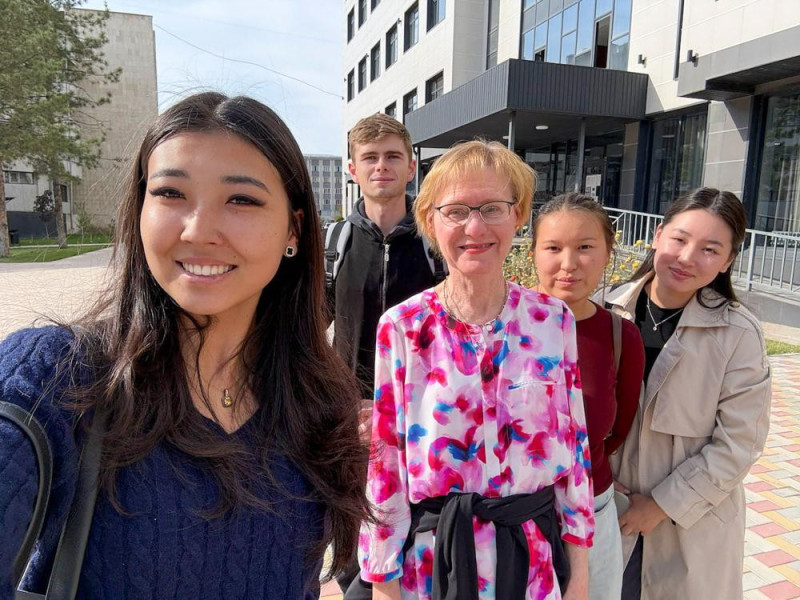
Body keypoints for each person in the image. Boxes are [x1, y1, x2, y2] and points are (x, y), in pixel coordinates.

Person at [0, 92, 369, 599]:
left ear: (294, 228)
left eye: (241, 200)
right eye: (171, 194)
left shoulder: (316, 404)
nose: (198, 231)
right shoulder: (56, 379)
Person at [359, 140, 594, 600]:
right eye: (456, 211)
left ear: (519, 214)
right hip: (435, 565)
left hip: (533, 562)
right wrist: (383, 584)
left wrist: (579, 574)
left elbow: (575, 448)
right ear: (430, 220)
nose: (475, 226)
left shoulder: (552, 320)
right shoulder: (403, 328)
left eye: (492, 208)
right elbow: (385, 462)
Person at [600, 188, 772, 599]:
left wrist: (658, 506)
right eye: (679, 239)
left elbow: (739, 445)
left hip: (690, 524)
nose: (688, 257)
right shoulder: (603, 312)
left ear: (728, 261)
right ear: (658, 236)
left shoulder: (738, 334)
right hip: (608, 512)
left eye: (710, 249)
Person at [532, 193, 645, 600]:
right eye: (553, 247)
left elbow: (615, 431)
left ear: (607, 253)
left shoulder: (620, 337)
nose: (568, 263)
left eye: (584, 247)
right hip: (519, 516)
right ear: (532, 253)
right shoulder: (503, 328)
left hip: (594, 509)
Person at [327, 113, 444, 398]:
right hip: (350, 410)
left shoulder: (438, 240)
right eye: (370, 158)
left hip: (425, 408)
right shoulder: (333, 242)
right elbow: (309, 327)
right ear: (353, 171)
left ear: (411, 168)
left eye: (392, 156)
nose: (381, 166)